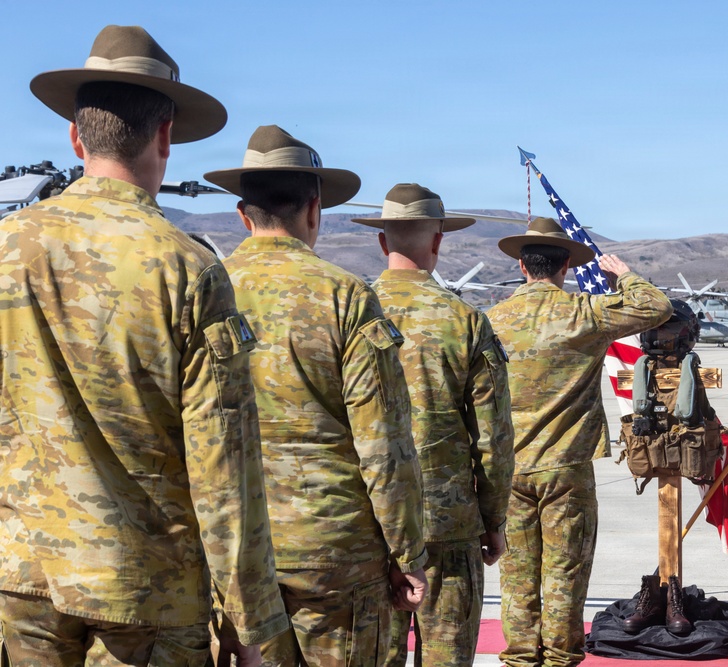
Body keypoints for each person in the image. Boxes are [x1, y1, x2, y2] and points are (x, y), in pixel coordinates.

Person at [0, 25, 286, 665]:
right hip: (144, 593)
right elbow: (225, 465)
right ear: (165, 137)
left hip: (20, 580)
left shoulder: (6, 247)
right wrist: (248, 619)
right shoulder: (188, 268)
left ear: (75, 137)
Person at [204, 127, 428, 667]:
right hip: (333, 552)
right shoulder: (345, 296)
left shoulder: (204, 288)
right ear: (314, 209)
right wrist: (408, 552)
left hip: (229, 552)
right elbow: (384, 445)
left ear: (243, 214)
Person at [487, 217, 673, 667]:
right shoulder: (583, 313)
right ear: (566, 265)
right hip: (565, 466)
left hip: (507, 468)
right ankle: (559, 656)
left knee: (515, 576)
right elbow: (657, 307)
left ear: (521, 265)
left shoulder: (490, 320)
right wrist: (623, 276)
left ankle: (519, 657)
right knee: (564, 571)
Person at [352, 183, 515, 667]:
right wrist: (495, 520)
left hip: (365, 523)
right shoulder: (465, 321)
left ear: (383, 242)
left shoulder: (350, 313)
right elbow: (493, 438)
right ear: (438, 242)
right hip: (446, 525)